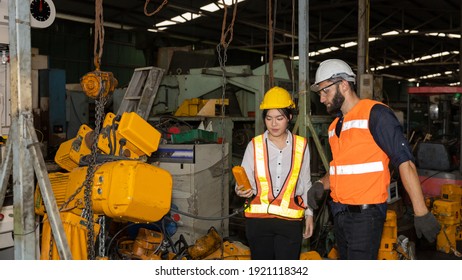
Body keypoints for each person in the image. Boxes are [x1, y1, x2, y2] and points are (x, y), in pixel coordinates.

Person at [308, 59, 441, 260]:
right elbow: (341, 169)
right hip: (340, 214)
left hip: (365, 217)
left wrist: (421, 211)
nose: (321, 98)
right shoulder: (334, 126)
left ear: (344, 85)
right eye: (319, 93)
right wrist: (320, 184)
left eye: (325, 91)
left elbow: (405, 162)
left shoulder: (376, 114)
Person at [235, 86, 314, 260]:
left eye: (279, 118)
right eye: (269, 118)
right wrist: (240, 189)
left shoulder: (301, 146)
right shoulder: (254, 146)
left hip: (290, 223)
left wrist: (309, 214)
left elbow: (306, 182)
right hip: (258, 222)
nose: (274, 124)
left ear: (289, 118)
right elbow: (243, 181)